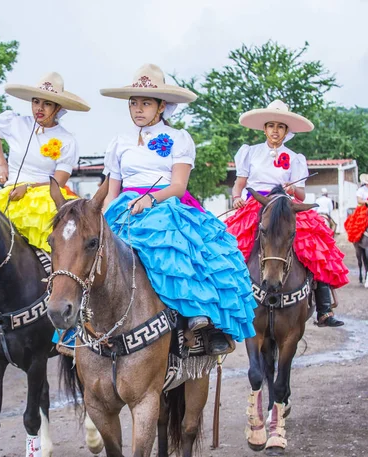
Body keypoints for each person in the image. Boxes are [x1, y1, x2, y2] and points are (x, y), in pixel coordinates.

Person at [101, 64, 257, 355]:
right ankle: (80, 330)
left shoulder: (179, 138)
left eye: (145, 103)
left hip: (165, 202)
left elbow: (179, 186)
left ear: (161, 106)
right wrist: (102, 219)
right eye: (133, 102)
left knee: (183, 251)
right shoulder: (118, 142)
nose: (138, 109)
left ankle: (201, 322)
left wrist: (151, 200)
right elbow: (112, 192)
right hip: (124, 206)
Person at [226, 100, 347, 327]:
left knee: (316, 244)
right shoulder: (249, 153)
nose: (275, 130)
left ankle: (323, 309)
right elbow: (238, 184)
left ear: (286, 131)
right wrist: (236, 197)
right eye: (270, 125)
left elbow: (301, 194)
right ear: (264, 129)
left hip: (286, 205)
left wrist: (293, 189)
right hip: (256, 205)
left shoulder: (295, 157)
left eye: (280, 126)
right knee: (230, 248)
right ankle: (229, 307)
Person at [0, 72, 90, 252]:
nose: (39, 108)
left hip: (45, 195)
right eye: (36, 102)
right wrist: (2, 164)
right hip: (10, 194)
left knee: (57, 237)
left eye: (47, 104)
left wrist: (28, 188)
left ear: (58, 108)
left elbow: (59, 182)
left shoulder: (66, 140)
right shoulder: (15, 123)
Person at [344, 174, 368, 243]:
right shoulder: (361, 190)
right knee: (360, 220)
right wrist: (366, 201)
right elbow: (359, 200)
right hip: (363, 207)